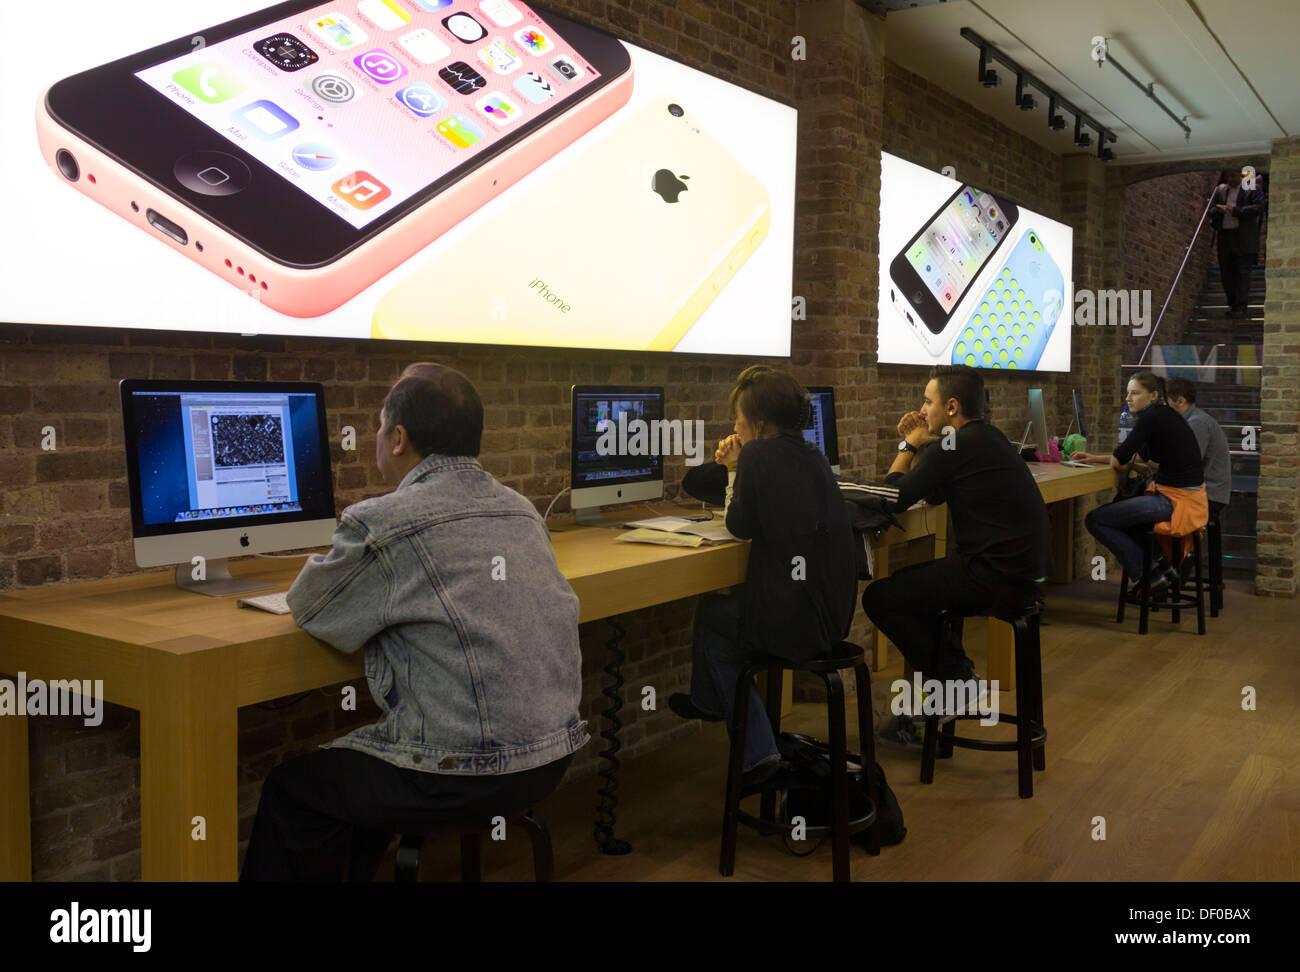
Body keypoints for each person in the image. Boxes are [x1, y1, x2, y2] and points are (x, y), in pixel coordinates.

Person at [241, 363, 586, 881]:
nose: (376, 437)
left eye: (379, 426)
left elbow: (312, 608)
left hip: (463, 773)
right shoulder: (521, 510)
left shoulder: (382, 522)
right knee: (360, 780)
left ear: (398, 438)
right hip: (551, 758)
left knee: (295, 792)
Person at [668, 366, 857, 786]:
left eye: (737, 420)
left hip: (797, 624)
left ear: (756, 422)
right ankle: (731, 723)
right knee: (726, 617)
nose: (734, 428)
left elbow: (739, 526)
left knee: (715, 614)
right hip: (832, 616)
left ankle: (739, 734)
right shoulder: (812, 455)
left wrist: (735, 468)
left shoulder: (756, 455)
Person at [860, 365, 1051, 747]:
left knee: (881, 597)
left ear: (951, 406)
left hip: (993, 577)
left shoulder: (954, 444)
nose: (922, 409)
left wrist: (909, 446)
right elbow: (934, 494)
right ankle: (947, 687)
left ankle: (958, 683)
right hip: (1027, 575)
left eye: (927, 401)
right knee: (918, 591)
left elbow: (893, 499)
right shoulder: (985, 438)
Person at [1074, 371, 1208, 594]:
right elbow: (1140, 459)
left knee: (1096, 519)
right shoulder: (1165, 415)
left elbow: (1120, 459)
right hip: (1185, 497)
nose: (1128, 398)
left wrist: (1120, 461)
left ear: (1153, 395)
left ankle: (1151, 575)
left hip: (1176, 502)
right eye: (1127, 393)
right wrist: (1095, 458)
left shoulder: (1151, 418)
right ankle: (1163, 569)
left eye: (1135, 393)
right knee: (1126, 519)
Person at [1165, 377, 1231, 517]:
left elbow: (1185, 465)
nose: (1162, 407)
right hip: (1201, 492)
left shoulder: (1197, 423)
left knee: (1135, 514)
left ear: (1180, 401)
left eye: (1165, 402)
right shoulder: (1189, 421)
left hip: (1208, 496)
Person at [1209, 168, 1266, 320]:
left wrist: (1234, 210)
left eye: (1233, 176)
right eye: (1228, 176)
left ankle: (1241, 306)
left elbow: (1258, 208)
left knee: (1242, 273)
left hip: (1244, 237)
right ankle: (1233, 305)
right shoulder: (1222, 191)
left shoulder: (1252, 188)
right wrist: (1217, 211)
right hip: (1225, 237)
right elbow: (1211, 210)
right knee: (1226, 273)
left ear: (1241, 176)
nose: (1229, 179)